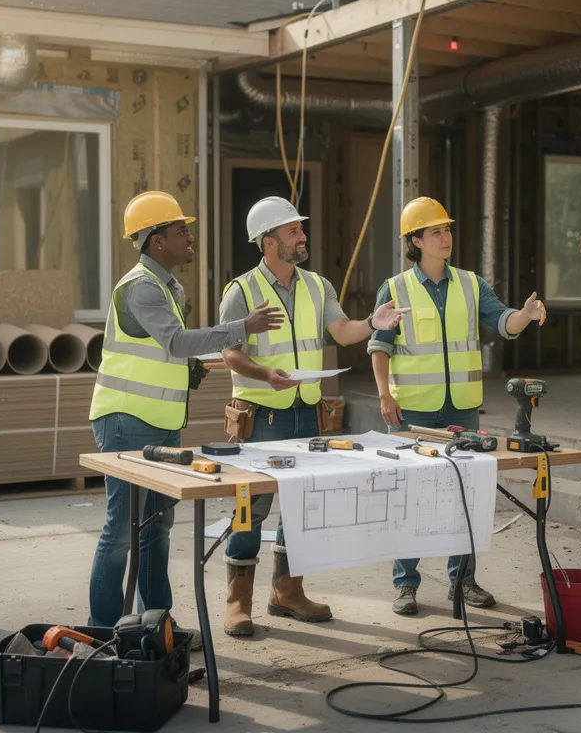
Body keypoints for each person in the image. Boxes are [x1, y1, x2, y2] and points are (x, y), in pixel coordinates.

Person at [86, 190, 285, 628]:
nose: (189, 237)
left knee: (156, 529)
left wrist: (189, 368)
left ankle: (157, 627)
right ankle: (103, 631)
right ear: (157, 240)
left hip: (160, 422)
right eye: (181, 231)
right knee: (121, 531)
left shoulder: (166, 286)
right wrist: (241, 327)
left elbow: (166, 351)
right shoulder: (141, 287)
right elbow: (175, 341)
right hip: (126, 421)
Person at [218, 196, 410, 638]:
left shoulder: (317, 286)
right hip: (260, 417)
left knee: (303, 508)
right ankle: (237, 602)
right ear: (269, 242)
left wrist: (373, 323)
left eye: (300, 229)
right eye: (293, 231)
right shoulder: (241, 291)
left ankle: (287, 591)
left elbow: (341, 331)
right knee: (250, 508)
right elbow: (229, 352)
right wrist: (265, 374)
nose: (303, 236)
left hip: (307, 414)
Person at [369, 196, 547, 616]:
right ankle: (405, 583)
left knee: (466, 495)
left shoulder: (470, 284)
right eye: (435, 232)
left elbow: (503, 321)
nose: (445, 237)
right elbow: (379, 345)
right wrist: (383, 394)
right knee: (410, 497)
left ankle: (463, 580)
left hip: (461, 410)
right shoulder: (395, 288)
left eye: (447, 229)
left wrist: (524, 314)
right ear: (415, 240)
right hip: (412, 411)